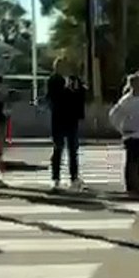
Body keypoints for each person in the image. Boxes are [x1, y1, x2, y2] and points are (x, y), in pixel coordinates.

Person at [46, 59, 84, 191]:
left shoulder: (75, 80)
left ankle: (74, 177)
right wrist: (66, 89)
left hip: (72, 119)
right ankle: (55, 177)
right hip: (58, 118)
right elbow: (53, 97)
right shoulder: (53, 80)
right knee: (58, 148)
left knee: (73, 150)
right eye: (59, 66)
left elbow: (80, 97)